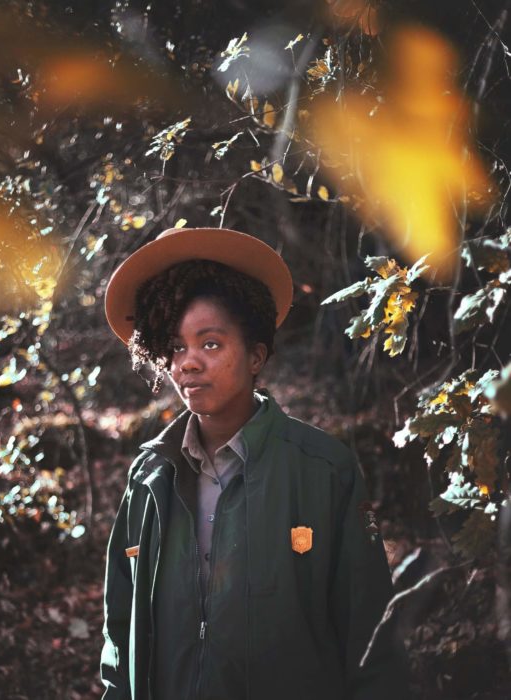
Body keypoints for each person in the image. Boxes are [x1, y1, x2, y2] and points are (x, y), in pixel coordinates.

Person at [100, 226, 411, 700]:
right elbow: (120, 629)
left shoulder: (324, 470)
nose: (188, 363)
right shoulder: (149, 477)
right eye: (177, 347)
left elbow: (370, 639)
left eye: (210, 344)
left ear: (255, 356)